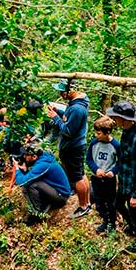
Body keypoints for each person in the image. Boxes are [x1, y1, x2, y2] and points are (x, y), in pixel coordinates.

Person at [106, 100, 136, 252]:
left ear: (125, 119)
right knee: (118, 204)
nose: (114, 120)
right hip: (123, 180)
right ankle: (132, 227)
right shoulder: (125, 132)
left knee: (134, 209)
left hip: (132, 184)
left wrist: (135, 194)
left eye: (116, 117)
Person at [47, 80, 91, 218]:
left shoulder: (77, 108)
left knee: (77, 177)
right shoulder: (75, 105)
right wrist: (59, 112)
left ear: (71, 90)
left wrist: (55, 118)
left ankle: (83, 206)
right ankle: (87, 203)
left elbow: (68, 130)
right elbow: (68, 117)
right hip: (74, 146)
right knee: (80, 174)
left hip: (73, 147)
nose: (60, 94)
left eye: (62, 91)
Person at [12, 143, 72, 226]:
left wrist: (17, 170)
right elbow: (34, 176)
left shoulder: (43, 165)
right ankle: (44, 206)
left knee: (29, 185)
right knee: (32, 182)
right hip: (55, 190)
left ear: (34, 157)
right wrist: (25, 170)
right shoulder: (43, 158)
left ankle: (36, 214)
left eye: (26, 155)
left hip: (61, 196)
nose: (24, 157)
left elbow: (22, 182)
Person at [86, 116, 120, 234]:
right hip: (96, 178)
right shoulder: (94, 143)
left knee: (110, 203)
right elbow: (89, 159)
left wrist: (113, 172)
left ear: (107, 133)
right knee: (99, 203)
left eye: (99, 133)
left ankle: (112, 223)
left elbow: (121, 162)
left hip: (109, 180)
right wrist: (96, 170)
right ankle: (105, 221)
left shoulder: (116, 145)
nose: (96, 135)